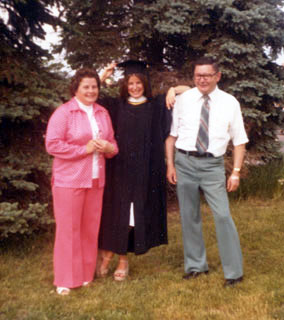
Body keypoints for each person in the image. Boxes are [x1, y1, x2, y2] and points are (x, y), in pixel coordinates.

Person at [165, 57, 248, 287]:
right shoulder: (184, 99)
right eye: (198, 75)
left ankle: (234, 272)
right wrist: (171, 165)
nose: (202, 79)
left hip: (212, 166)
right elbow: (172, 136)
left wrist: (236, 172)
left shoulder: (230, 102)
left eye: (207, 75)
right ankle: (195, 266)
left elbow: (239, 141)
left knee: (222, 215)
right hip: (185, 162)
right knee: (189, 216)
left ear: (217, 76)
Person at [45, 68, 118, 295]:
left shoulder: (102, 113)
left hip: (96, 179)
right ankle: (66, 279)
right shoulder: (64, 113)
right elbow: (53, 145)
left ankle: (86, 275)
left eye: (94, 86)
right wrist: (83, 149)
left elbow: (113, 145)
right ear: (75, 88)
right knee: (69, 230)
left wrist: (108, 148)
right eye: (85, 87)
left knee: (89, 229)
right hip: (69, 181)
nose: (91, 91)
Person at [97, 60, 172, 281]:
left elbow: (187, 93)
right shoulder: (115, 105)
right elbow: (88, 95)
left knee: (133, 215)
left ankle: (120, 260)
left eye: (139, 82)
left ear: (145, 84)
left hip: (145, 171)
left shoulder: (156, 105)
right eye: (131, 83)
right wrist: (103, 75)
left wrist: (174, 90)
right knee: (115, 213)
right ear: (125, 84)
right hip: (118, 168)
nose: (135, 87)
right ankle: (111, 256)